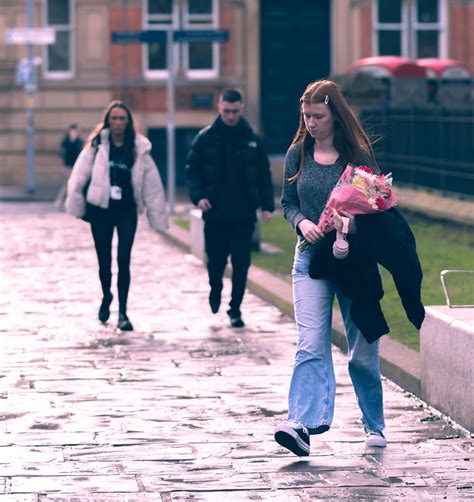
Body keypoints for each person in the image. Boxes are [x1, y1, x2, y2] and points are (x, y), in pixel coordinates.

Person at [274, 79, 387, 457]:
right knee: (309, 344)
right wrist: (299, 222)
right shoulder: (297, 154)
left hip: (351, 262)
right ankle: (302, 425)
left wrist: (350, 225)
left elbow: (376, 212)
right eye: (305, 116)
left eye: (318, 116)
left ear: (335, 115)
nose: (311, 123)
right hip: (309, 258)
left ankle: (374, 423)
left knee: (363, 348)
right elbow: (287, 202)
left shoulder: (359, 157)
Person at [65, 100, 168, 331]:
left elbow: (152, 185)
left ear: (128, 122)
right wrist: (77, 205)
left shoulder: (139, 148)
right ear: (108, 120)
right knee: (104, 262)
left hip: (126, 211)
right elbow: (79, 177)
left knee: (124, 260)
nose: (118, 122)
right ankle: (106, 297)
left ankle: (123, 312)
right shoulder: (96, 145)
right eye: (114, 118)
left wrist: (157, 217)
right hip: (100, 211)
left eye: (122, 118)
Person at [185, 88, 275, 328]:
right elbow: (192, 170)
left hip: (244, 213)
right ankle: (215, 288)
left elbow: (264, 175)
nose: (231, 116)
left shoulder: (252, 139)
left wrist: (267, 205)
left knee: (242, 263)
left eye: (235, 111)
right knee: (215, 261)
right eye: (226, 111)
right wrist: (199, 197)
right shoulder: (205, 138)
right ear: (219, 107)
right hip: (214, 213)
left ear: (241, 109)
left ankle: (235, 309)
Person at [54, 123, 84, 207]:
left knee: (72, 184)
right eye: (75, 130)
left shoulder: (79, 141)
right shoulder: (66, 140)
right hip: (67, 166)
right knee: (68, 184)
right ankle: (60, 200)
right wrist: (71, 142)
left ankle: (65, 201)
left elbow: (79, 153)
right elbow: (62, 152)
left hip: (76, 166)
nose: (76, 132)